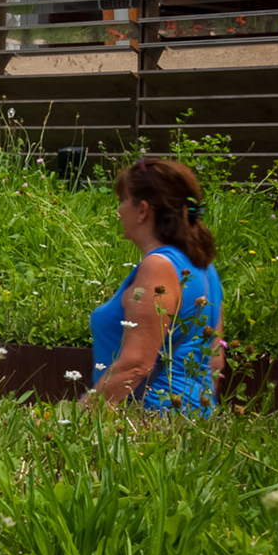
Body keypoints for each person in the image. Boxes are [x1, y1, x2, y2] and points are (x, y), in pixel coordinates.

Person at [88, 156, 225, 414]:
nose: (119, 210)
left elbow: (136, 364)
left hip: (149, 418)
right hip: (190, 420)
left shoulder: (158, 267)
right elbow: (215, 362)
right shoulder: (205, 268)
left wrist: (82, 416)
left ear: (142, 210)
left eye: (122, 200)